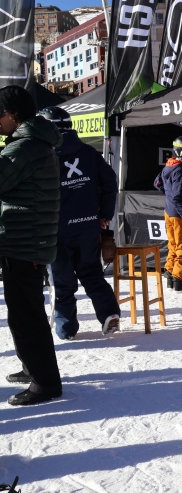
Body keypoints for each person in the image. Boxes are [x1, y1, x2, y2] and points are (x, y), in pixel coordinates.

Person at [0, 86, 64, 406]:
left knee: (27, 316)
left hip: (24, 244)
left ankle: (46, 382)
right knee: (23, 313)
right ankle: (33, 367)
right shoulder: (31, 143)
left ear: (12, 115)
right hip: (24, 241)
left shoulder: (24, 147)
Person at [37, 106, 121, 338]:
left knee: (62, 282)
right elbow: (110, 182)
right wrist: (105, 214)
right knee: (92, 275)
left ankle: (66, 329)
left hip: (57, 231)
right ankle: (109, 313)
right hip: (87, 227)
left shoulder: (43, 155)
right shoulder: (88, 152)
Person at [154, 136, 182, 292]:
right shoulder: (180, 169)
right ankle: (180, 281)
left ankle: (170, 275)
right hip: (178, 214)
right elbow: (178, 196)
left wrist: (169, 194)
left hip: (169, 211)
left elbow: (157, 182)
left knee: (173, 245)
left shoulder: (169, 165)